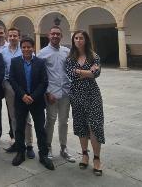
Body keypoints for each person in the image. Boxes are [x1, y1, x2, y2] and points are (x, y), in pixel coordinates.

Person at [8, 36, 54, 170]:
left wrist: (32, 96)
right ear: (21, 48)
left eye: (29, 47)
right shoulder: (15, 61)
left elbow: (44, 81)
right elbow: (12, 79)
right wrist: (23, 95)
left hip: (37, 100)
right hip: (21, 100)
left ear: (33, 48)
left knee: (40, 129)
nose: (26, 49)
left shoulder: (40, 62)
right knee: (20, 128)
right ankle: (20, 153)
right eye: (24, 47)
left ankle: (44, 155)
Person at [66, 30, 104, 176]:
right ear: (73, 40)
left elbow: (97, 74)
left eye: (81, 38)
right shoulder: (70, 58)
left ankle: (97, 158)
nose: (78, 40)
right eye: (76, 38)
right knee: (81, 125)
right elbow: (71, 75)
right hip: (76, 95)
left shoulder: (94, 56)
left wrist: (79, 71)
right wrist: (89, 72)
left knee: (94, 126)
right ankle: (84, 155)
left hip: (92, 95)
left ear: (86, 40)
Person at [37, 26, 75, 162]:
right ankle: (48, 147)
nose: (55, 36)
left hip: (65, 92)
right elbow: (40, 76)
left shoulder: (67, 51)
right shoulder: (42, 53)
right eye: (53, 33)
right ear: (48, 35)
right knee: (51, 120)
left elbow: (71, 69)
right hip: (51, 94)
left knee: (64, 121)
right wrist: (47, 92)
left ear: (61, 36)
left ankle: (63, 148)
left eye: (58, 34)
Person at [2, 28, 35, 159]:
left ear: (19, 37)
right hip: (9, 86)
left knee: (26, 117)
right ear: (7, 37)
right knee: (13, 116)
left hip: (24, 87)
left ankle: (29, 144)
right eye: (10, 36)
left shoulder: (25, 50)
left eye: (15, 35)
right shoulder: (3, 52)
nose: (12, 38)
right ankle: (17, 141)